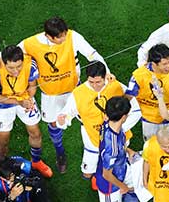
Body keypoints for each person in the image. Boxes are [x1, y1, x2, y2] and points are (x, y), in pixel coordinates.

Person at [18, 16, 107, 173]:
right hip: (51, 94)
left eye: (65, 34)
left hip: (75, 89)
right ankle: (60, 152)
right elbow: (15, 52)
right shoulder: (31, 43)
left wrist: (106, 72)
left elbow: (92, 54)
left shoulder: (73, 37)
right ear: (48, 36)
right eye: (60, 37)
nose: (64, 38)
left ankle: (98, 153)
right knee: (54, 124)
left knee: (92, 119)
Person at [56, 61, 141, 180]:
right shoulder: (78, 93)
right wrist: (62, 120)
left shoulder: (116, 86)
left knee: (117, 166)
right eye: (91, 82)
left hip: (117, 138)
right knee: (87, 172)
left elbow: (136, 110)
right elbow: (66, 113)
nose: (95, 86)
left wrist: (118, 127)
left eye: (98, 82)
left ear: (105, 77)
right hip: (93, 138)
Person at [95, 97, 154, 202]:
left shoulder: (108, 124)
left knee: (135, 188)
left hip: (121, 167)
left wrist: (128, 151)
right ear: (124, 116)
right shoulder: (112, 146)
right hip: (109, 184)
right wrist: (122, 186)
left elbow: (118, 146)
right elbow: (107, 174)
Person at [0, 46, 48, 174]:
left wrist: (28, 100)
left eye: (19, 66)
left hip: (24, 98)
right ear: (3, 63)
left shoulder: (30, 65)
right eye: (11, 68)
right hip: (3, 104)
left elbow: (32, 86)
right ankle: (2, 166)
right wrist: (19, 102)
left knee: (35, 133)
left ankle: (36, 161)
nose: (16, 71)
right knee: (3, 139)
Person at [126, 43, 169, 141]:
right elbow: (129, 96)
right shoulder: (138, 76)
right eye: (164, 64)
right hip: (149, 119)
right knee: (151, 145)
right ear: (154, 63)